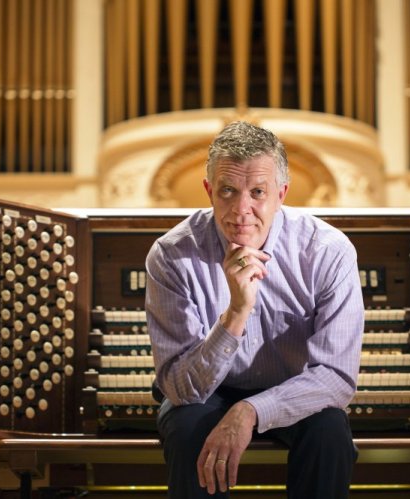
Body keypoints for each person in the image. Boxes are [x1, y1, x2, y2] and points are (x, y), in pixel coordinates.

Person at [145, 121, 364, 498]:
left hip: (296, 387)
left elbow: (335, 377)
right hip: (206, 390)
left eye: (257, 192)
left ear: (281, 193)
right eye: (227, 191)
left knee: (329, 430)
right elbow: (181, 388)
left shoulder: (327, 250)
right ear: (209, 190)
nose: (241, 210)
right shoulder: (171, 255)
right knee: (186, 429)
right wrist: (237, 312)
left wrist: (251, 410)